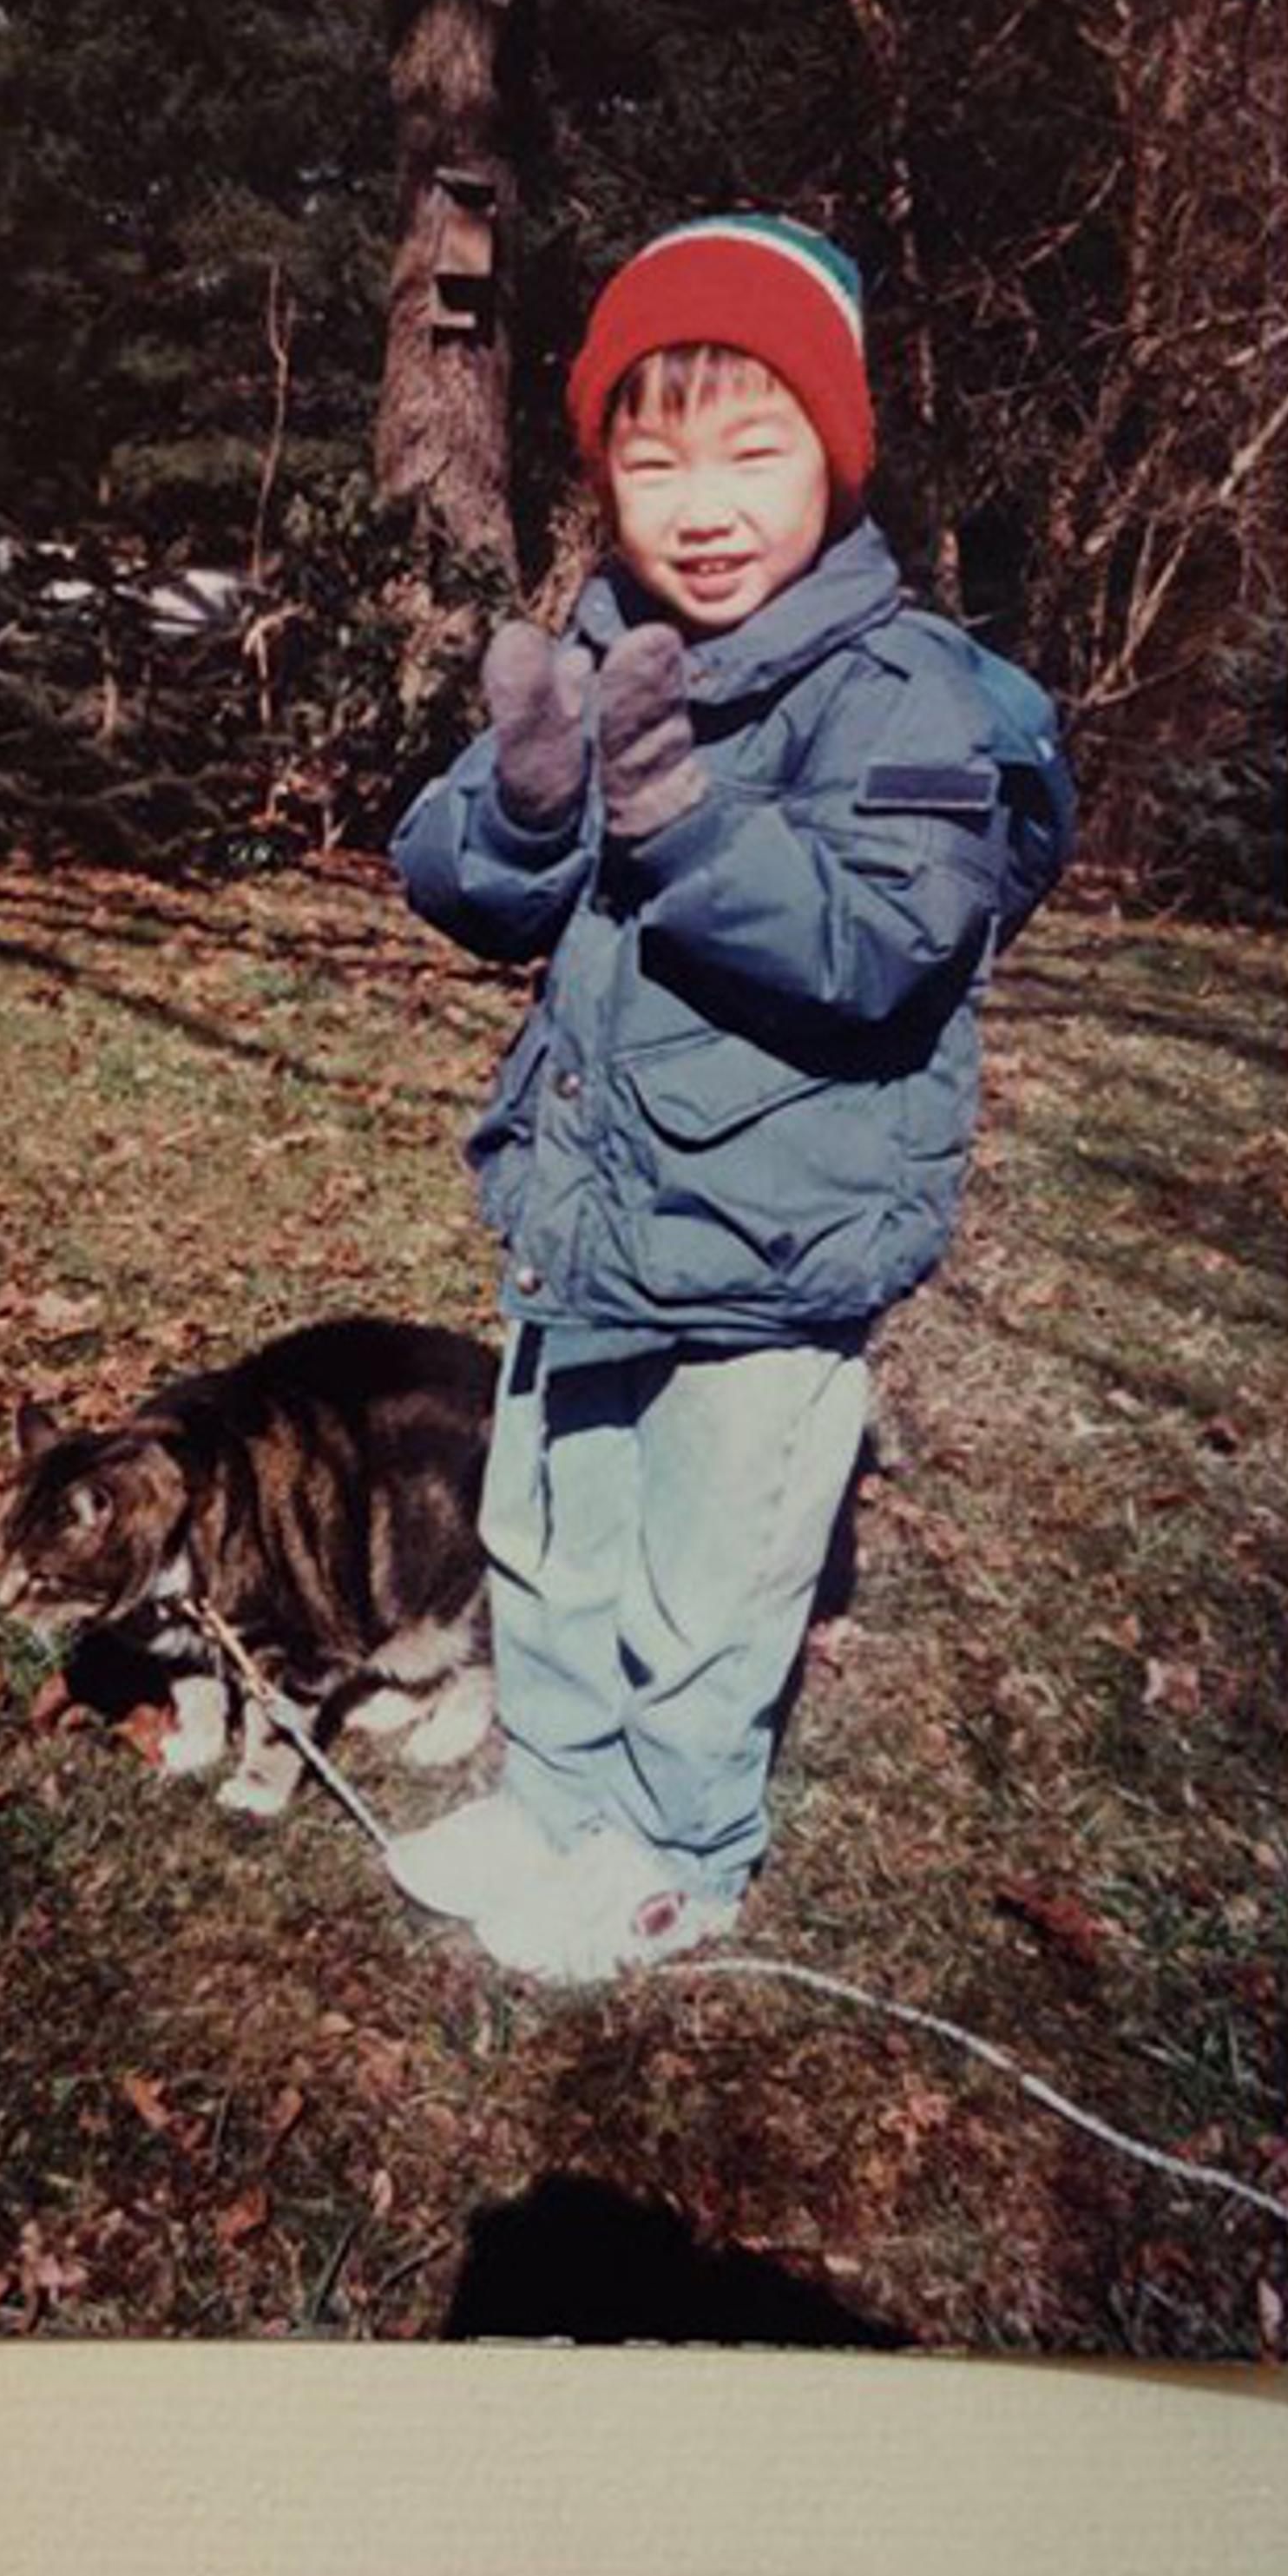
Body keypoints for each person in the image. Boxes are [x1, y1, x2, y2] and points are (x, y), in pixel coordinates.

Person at [385, 211, 1063, 1982]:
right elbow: (458, 881)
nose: (702, 507)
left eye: (755, 453)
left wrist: (684, 828)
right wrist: (525, 808)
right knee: (551, 1530)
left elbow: (883, 938)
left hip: (775, 1243)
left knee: (711, 1574)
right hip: (594, 1207)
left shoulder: (904, 688)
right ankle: (560, 1805)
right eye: (654, 458)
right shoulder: (599, 646)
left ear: (837, 457)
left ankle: (681, 1850)